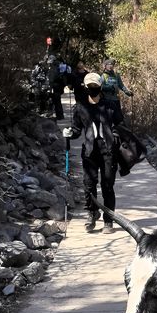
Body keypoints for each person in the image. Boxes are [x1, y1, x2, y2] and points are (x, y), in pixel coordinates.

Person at [62, 72, 123, 233]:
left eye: (95, 86)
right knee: (89, 185)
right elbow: (76, 129)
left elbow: (120, 124)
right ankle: (91, 214)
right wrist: (69, 132)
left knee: (107, 185)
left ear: (100, 86)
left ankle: (108, 220)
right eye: (89, 86)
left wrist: (115, 135)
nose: (92, 88)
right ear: (85, 86)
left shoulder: (111, 105)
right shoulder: (80, 106)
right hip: (90, 151)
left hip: (109, 151)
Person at [48, 55, 72, 121]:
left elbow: (52, 77)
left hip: (55, 85)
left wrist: (50, 86)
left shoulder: (54, 66)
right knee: (57, 100)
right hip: (60, 85)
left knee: (56, 101)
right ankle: (59, 115)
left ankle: (59, 116)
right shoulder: (60, 65)